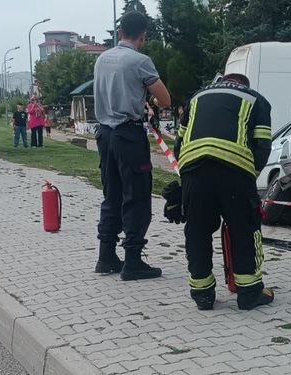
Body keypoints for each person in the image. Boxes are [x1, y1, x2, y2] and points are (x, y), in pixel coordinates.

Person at [164, 73, 273, 310]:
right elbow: (263, 145)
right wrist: (249, 176)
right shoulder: (257, 100)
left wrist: (187, 177)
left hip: (194, 170)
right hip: (235, 173)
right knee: (245, 229)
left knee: (197, 230)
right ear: (243, 85)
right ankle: (249, 292)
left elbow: (179, 143)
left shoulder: (196, 98)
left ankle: (202, 294)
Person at [93, 11, 171, 280]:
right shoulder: (140, 61)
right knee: (136, 196)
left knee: (111, 193)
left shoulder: (102, 59)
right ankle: (133, 260)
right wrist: (149, 103)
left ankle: (106, 256)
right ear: (143, 35)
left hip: (104, 134)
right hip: (129, 136)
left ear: (119, 32)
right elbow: (165, 98)